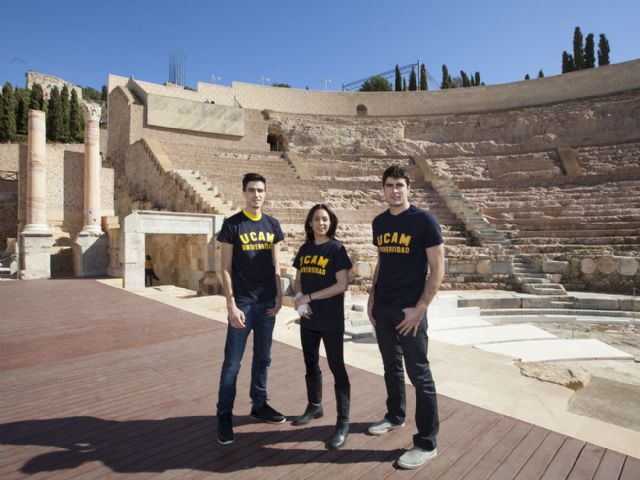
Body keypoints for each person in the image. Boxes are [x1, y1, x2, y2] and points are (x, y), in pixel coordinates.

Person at [367, 164, 445, 470]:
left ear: (408, 188)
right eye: (389, 185)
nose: (394, 190)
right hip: (383, 309)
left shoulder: (424, 220)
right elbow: (381, 262)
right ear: (383, 189)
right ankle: (395, 416)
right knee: (390, 368)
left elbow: (438, 268)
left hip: (409, 312)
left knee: (420, 376)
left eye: (399, 185)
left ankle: (427, 443)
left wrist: (421, 307)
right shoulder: (379, 222)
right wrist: (372, 297)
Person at [216, 172, 285, 445]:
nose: (256, 195)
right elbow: (225, 267)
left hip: (267, 302)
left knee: (263, 358)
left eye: (260, 190)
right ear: (243, 193)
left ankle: (259, 404)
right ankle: (224, 415)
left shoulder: (272, 225)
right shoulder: (232, 225)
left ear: (265, 193)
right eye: (252, 190)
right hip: (243, 304)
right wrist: (231, 305)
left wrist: (279, 297)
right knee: (232, 363)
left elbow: (276, 264)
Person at [292, 204, 352, 449]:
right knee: (310, 363)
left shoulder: (336, 249)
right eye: (317, 219)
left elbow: (342, 285)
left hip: (330, 319)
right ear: (310, 223)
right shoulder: (305, 249)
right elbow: (298, 281)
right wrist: (298, 300)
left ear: (331, 222)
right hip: (308, 319)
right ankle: (315, 406)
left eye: (325, 219)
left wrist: (310, 297)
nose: (321, 223)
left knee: (337, 367)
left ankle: (343, 422)